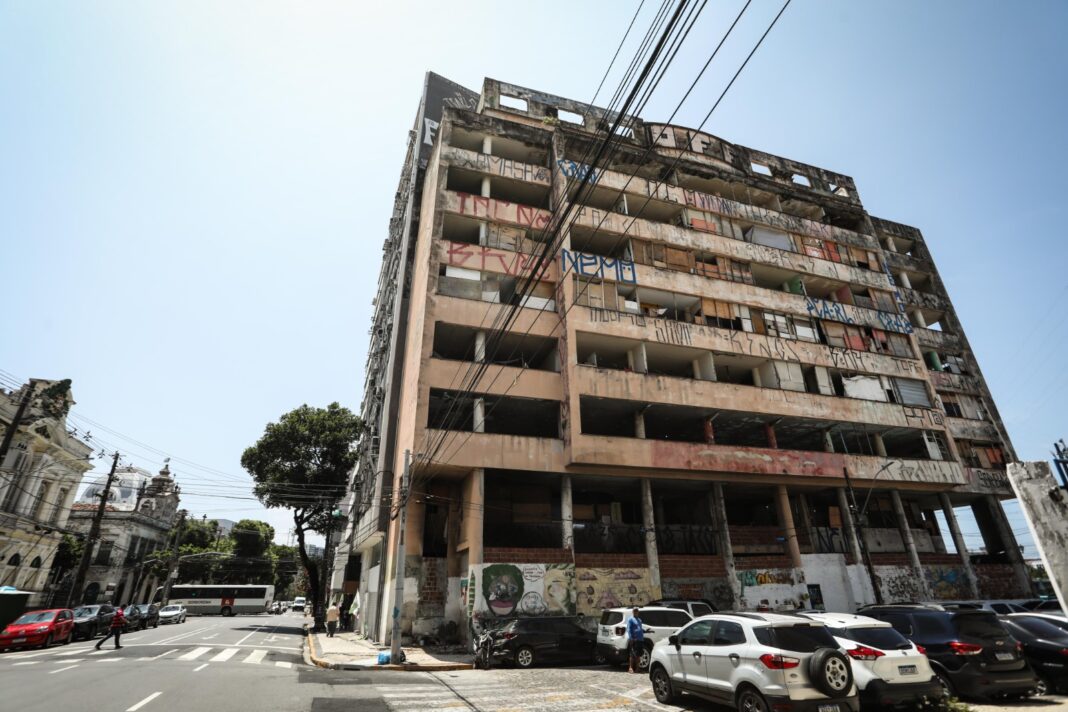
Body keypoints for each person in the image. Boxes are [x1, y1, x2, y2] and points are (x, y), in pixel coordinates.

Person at [626, 607, 645, 673]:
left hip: (640, 639)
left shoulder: (639, 620)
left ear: (638, 612)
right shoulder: (630, 619)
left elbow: (639, 628)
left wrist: (644, 631)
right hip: (634, 639)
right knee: (632, 654)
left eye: (636, 611)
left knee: (639, 654)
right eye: (634, 611)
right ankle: (630, 668)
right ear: (632, 612)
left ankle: (637, 668)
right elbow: (629, 629)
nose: (635, 612)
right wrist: (631, 638)